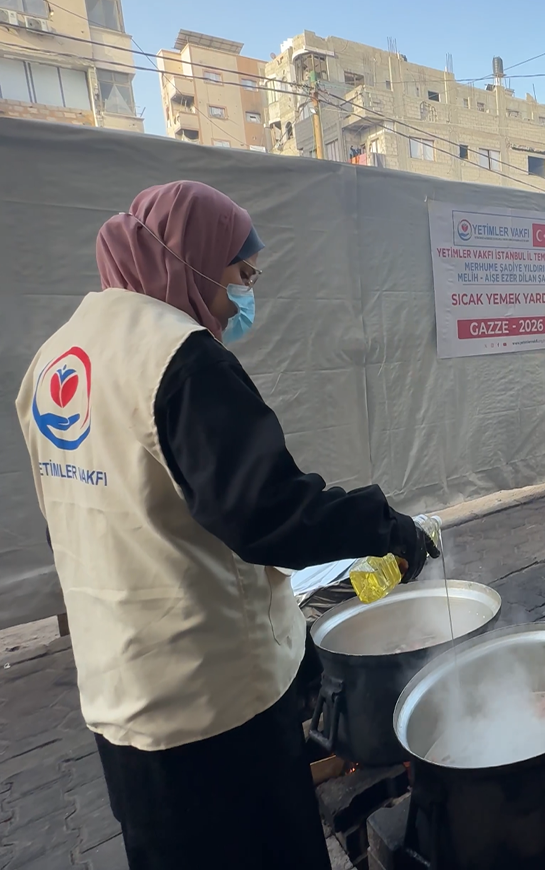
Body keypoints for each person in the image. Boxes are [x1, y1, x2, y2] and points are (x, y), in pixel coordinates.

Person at [15, 182, 439, 870]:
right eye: (242, 275)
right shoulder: (178, 357)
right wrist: (384, 524)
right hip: (213, 708)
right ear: (194, 260)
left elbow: (71, 522)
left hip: (122, 701)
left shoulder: (57, 359)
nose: (246, 296)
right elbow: (267, 511)